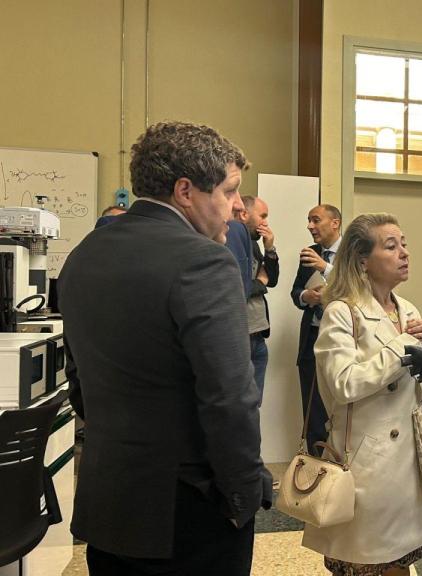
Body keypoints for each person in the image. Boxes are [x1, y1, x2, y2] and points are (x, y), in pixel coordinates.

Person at [59, 121, 272, 575]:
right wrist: (243, 495)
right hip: (186, 512)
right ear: (185, 191)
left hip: (109, 501)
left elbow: (77, 380)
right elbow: (230, 399)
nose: (238, 207)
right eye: (231, 191)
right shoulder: (204, 261)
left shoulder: (83, 255)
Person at [302, 212, 422, 576]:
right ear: (362, 260)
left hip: (409, 465)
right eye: (391, 247)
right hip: (367, 467)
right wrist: (404, 346)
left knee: (399, 563)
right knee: (364, 562)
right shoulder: (341, 312)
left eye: (404, 244)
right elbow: (344, 383)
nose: (404, 253)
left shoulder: (408, 309)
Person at [291, 203, 342, 453]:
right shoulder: (309, 253)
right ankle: (313, 464)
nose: (310, 226)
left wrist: (326, 268)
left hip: (341, 339)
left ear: (335, 223)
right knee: (312, 408)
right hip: (312, 337)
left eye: (315, 220)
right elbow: (295, 292)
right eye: (308, 221)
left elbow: (360, 288)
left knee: (338, 404)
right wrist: (306, 297)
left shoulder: (352, 255)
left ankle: (338, 464)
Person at [237, 195, 279, 405]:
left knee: (254, 405)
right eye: (262, 216)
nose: (265, 222)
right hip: (240, 336)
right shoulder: (232, 240)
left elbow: (271, 279)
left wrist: (270, 248)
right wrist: (260, 283)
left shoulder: (254, 244)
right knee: (240, 405)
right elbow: (239, 286)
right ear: (245, 214)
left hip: (258, 336)